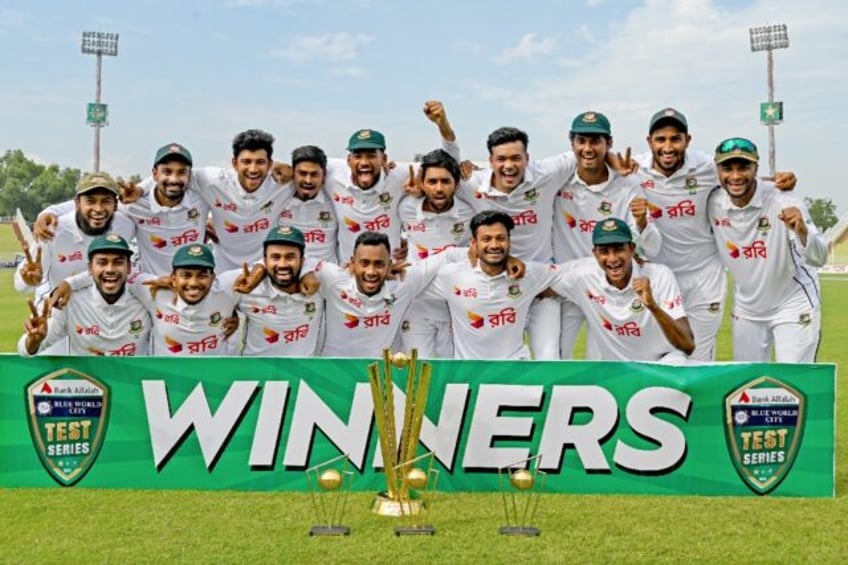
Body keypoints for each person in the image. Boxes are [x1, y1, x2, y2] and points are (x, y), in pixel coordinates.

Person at [632, 108, 797, 361]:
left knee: (697, 361)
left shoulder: (706, 167)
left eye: (675, 138)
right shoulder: (635, 169)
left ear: (687, 140)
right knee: (656, 359)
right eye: (661, 139)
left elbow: (739, 175)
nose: (668, 146)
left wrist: (779, 180)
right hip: (659, 280)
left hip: (703, 279)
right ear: (649, 142)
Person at [460, 126, 579, 359]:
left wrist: (618, 164)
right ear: (490, 161)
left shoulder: (547, 173)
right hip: (498, 289)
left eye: (516, 158)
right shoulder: (472, 183)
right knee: (495, 361)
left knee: (550, 360)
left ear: (527, 159)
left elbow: (589, 149)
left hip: (541, 289)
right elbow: (432, 175)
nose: (509, 165)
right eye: (501, 159)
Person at [552, 111, 660, 359]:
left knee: (603, 368)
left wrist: (643, 223)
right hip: (565, 287)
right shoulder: (558, 180)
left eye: (596, 141)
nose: (588, 148)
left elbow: (652, 248)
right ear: (572, 143)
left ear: (608, 143)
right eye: (582, 141)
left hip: (608, 291)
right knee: (553, 361)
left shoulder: (628, 186)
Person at [706, 137, 826, 362]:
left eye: (743, 167)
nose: (735, 175)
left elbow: (820, 258)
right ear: (717, 170)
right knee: (749, 387)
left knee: (794, 385)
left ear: (755, 168)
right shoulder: (712, 202)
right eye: (727, 168)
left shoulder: (785, 201)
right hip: (747, 309)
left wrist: (802, 231)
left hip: (792, 304)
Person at [308, 230, 507, 358]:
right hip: (331, 372)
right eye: (364, 263)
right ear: (353, 262)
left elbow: (450, 254)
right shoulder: (334, 279)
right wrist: (305, 276)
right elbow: (299, 259)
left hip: (379, 376)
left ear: (389, 265)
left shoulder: (403, 283)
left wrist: (508, 260)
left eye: (379, 264)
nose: (370, 272)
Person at [33, 144, 209, 276]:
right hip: (152, 290)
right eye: (167, 171)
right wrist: (51, 212)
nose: (174, 179)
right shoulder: (134, 204)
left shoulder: (202, 199)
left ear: (189, 176)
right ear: (154, 174)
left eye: (181, 173)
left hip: (194, 286)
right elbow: (98, 204)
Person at [322, 100, 460, 261]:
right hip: (348, 273)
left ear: (384, 158)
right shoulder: (333, 174)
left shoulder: (401, 174)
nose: (364, 162)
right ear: (348, 160)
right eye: (358, 156)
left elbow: (448, 162)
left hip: (391, 274)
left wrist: (442, 123)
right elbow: (298, 167)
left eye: (372, 156)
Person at [548, 218, 694, 363]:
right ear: (595, 254)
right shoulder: (583, 278)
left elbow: (688, 346)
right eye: (604, 251)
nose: (612, 259)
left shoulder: (660, 276)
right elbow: (541, 285)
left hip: (664, 362)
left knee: (676, 363)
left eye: (619, 249)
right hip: (620, 370)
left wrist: (653, 306)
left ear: (631, 249)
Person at [429, 210, 560, 360]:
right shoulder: (451, 275)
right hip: (469, 372)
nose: (494, 245)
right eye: (486, 239)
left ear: (509, 241)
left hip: (515, 369)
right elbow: (411, 284)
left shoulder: (528, 273)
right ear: (473, 243)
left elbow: (569, 277)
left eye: (501, 238)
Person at [18, 234, 150, 356]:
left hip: (136, 381)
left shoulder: (146, 300)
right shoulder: (70, 302)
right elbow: (25, 350)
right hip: (87, 381)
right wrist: (34, 340)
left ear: (128, 267)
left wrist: (70, 282)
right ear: (90, 269)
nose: (110, 269)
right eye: (102, 262)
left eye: (118, 262)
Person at [397, 149, 475, 358]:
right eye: (432, 182)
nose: (439, 188)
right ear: (422, 184)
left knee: (451, 376)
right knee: (416, 372)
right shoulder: (405, 207)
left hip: (455, 308)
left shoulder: (470, 210)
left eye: (445, 181)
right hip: (416, 308)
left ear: (456, 184)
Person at [217, 226, 324, 356]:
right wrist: (229, 311)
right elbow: (207, 291)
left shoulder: (319, 284)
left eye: (290, 257)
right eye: (275, 257)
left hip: (303, 374)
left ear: (302, 261)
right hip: (256, 372)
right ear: (265, 261)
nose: (282, 264)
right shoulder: (245, 282)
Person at [277, 146, 338, 262]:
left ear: (324, 175)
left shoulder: (335, 200)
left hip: (325, 274)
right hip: (287, 272)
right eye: (303, 173)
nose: (308, 181)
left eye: (314, 174)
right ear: (293, 173)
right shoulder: (279, 197)